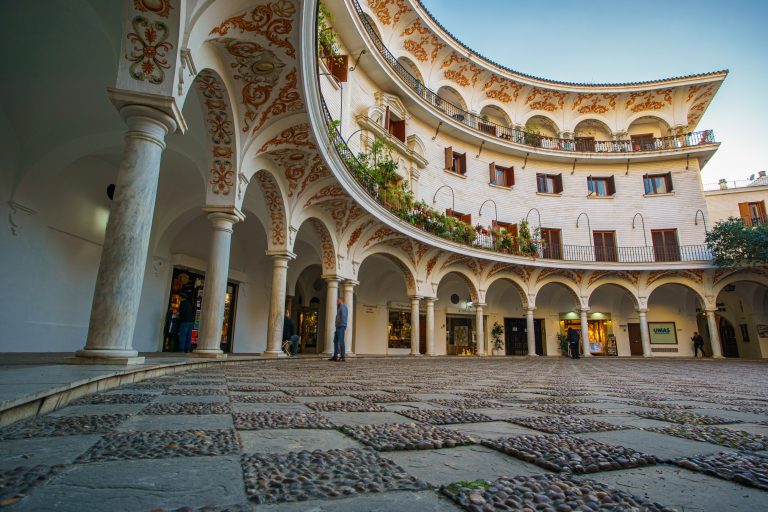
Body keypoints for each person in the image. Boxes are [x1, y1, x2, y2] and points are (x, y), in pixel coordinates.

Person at [330, 297, 348, 362]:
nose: (337, 301)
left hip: (341, 326)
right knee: (335, 340)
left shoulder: (343, 306)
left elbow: (344, 316)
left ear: (341, 300)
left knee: (341, 341)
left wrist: (342, 324)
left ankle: (342, 357)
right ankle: (335, 356)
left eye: (337, 300)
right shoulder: (340, 307)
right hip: (338, 326)